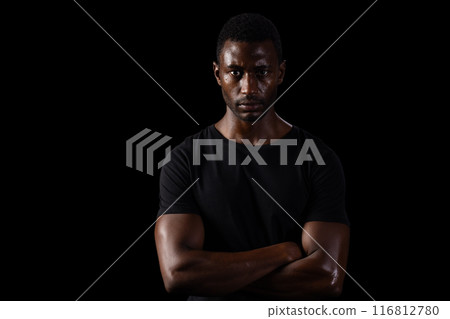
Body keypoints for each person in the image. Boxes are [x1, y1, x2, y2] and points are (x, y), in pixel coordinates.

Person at [154, 13, 350, 300]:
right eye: (235, 72)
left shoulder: (318, 159)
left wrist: (216, 279)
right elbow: (177, 274)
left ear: (280, 74)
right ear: (217, 74)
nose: (248, 88)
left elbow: (326, 277)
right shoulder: (184, 160)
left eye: (261, 72)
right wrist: (283, 252)